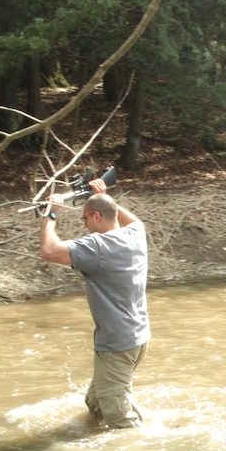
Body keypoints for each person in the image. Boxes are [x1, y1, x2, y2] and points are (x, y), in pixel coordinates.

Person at [38, 178, 150, 428]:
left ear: (96, 216)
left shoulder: (97, 247)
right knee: (97, 402)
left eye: (85, 218)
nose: (84, 224)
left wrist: (52, 214)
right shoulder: (136, 234)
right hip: (137, 338)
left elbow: (48, 250)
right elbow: (131, 219)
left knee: (118, 418)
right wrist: (106, 195)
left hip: (116, 344)